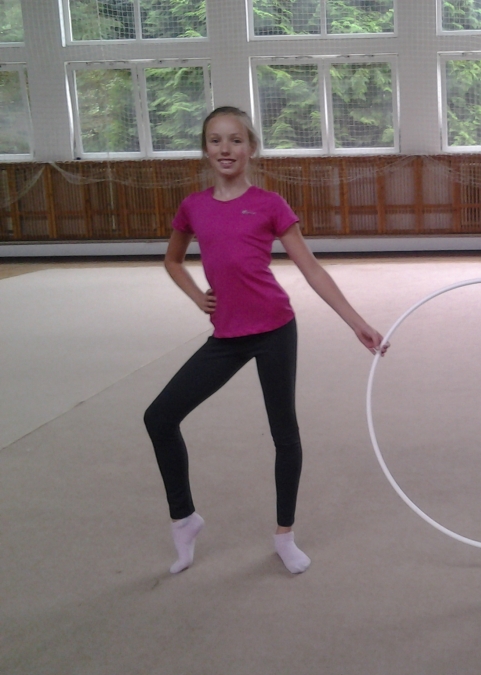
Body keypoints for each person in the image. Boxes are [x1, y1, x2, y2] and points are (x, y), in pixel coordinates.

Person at [144, 106, 387, 575]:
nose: (225, 149)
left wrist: (355, 322)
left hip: (275, 330)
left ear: (251, 148)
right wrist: (197, 296)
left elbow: (311, 268)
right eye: (215, 140)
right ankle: (184, 518)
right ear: (205, 149)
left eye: (235, 140)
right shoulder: (193, 206)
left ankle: (284, 535)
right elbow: (173, 260)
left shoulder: (270, 204)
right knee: (159, 417)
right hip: (227, 336)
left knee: (284, 434)